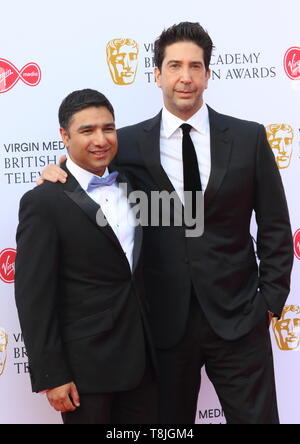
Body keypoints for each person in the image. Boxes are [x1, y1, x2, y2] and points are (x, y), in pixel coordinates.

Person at [39, 23, 294, 424]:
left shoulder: (248, 138)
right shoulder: (128, 143)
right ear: (157, 74)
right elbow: (86, 166)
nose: (185, 77)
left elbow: (276, 226)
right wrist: (55, 170)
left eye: (195, 66)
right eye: (174, 65)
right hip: (161, 326)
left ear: (208, 75)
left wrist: (270, 301)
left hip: (240, 319)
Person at [14, 89, 158, 424]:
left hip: (145, 362)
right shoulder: (44, 202)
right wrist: (52, 375)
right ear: (64, 136)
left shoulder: (134, 186)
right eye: (87, 131)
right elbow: (34, 296)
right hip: (85, 371)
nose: (101, 139)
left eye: (108, 129)